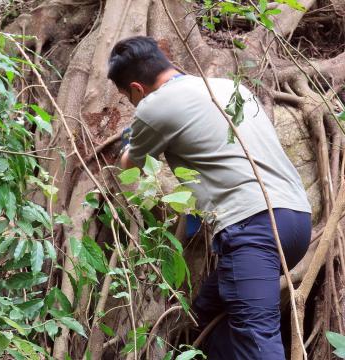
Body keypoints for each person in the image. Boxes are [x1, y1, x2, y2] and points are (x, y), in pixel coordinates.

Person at [108, 36, 312, 359]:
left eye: (128, 98)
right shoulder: (230, 89)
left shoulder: (153, 105)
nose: (134, 104)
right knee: (203, 319)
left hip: (253, 229)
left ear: (136, 88)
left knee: (256, 337)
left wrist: (129, 140)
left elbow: (130, 165)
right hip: (297, 220)